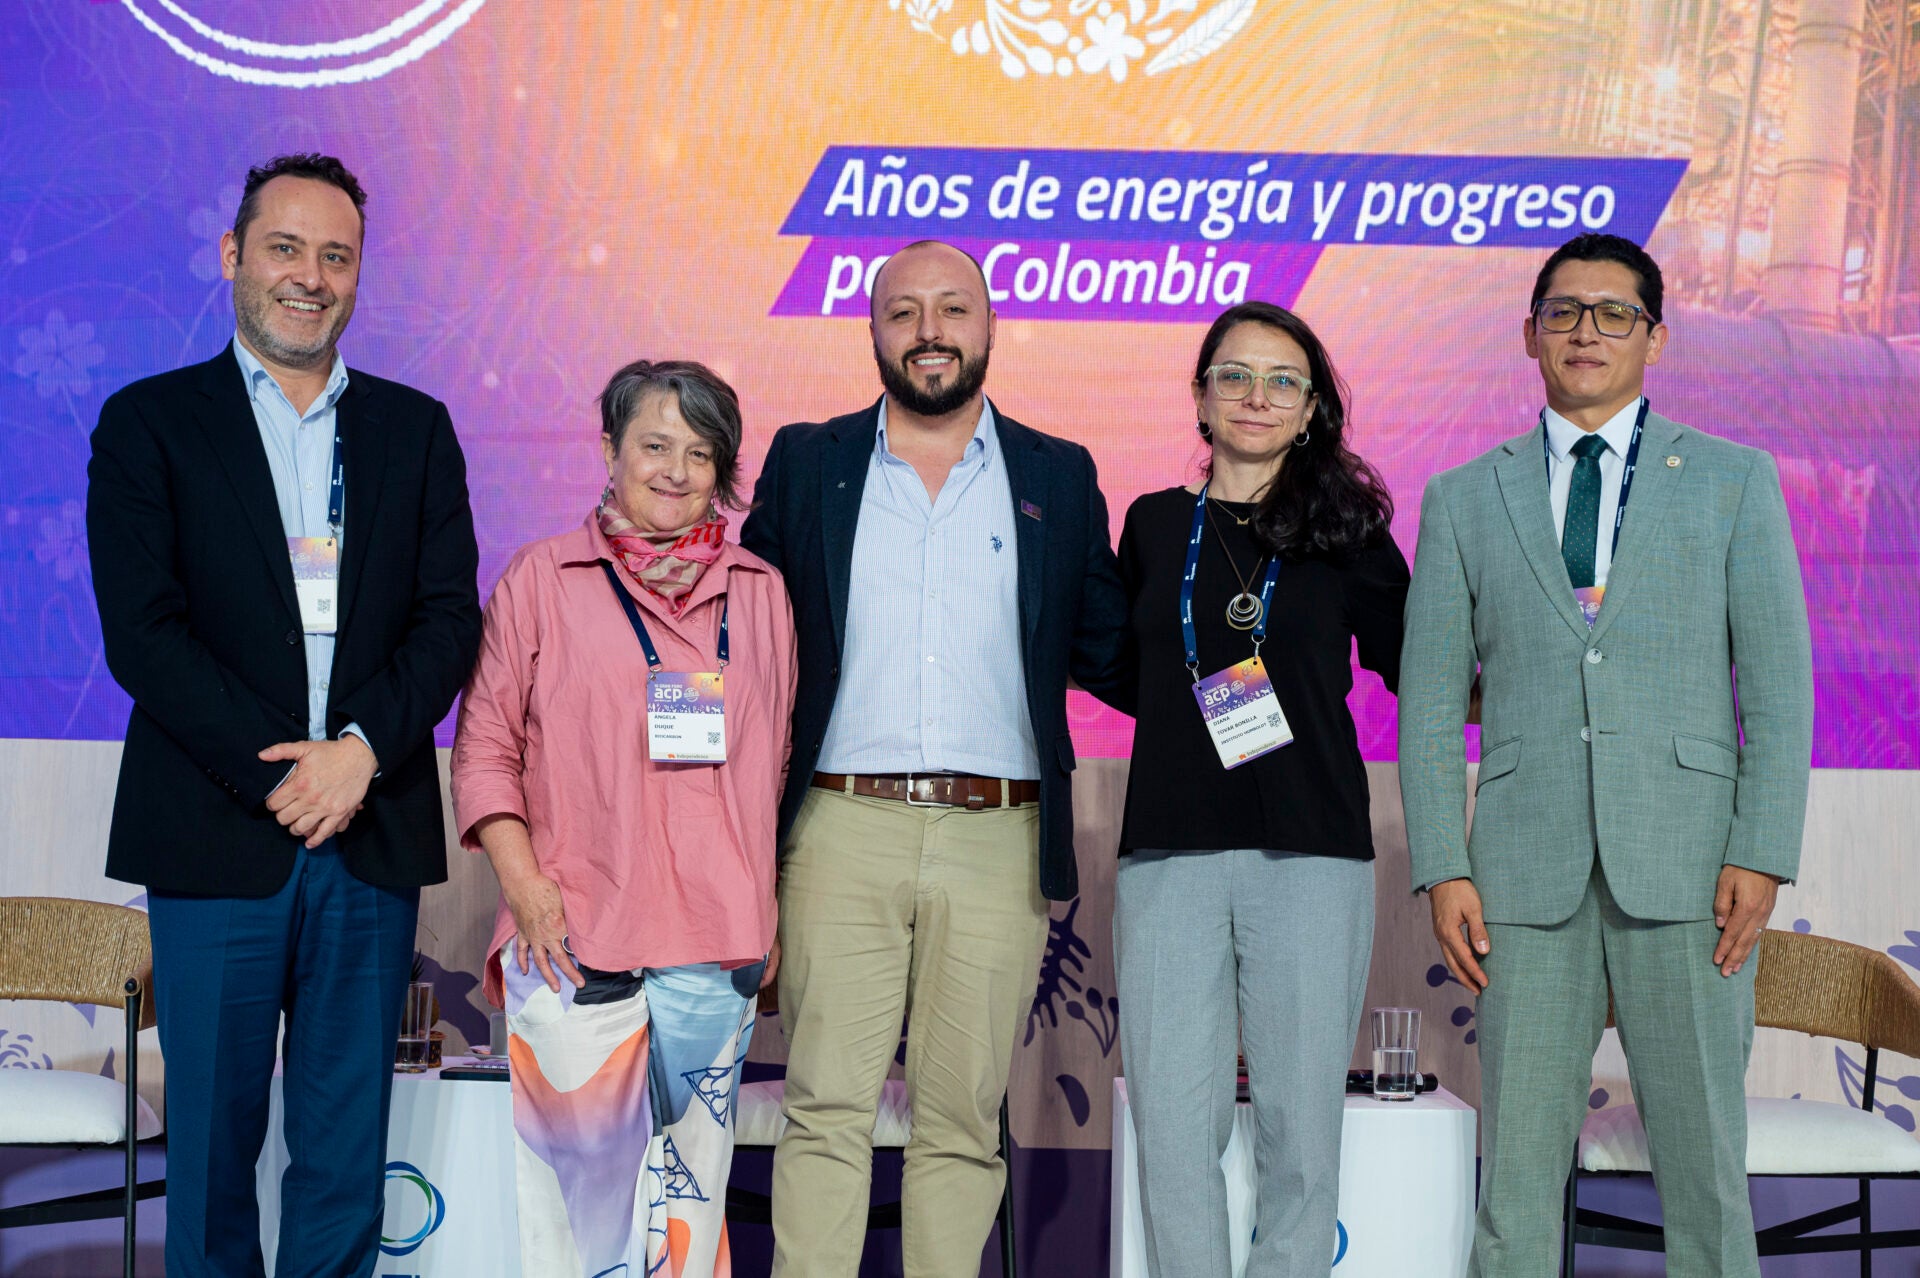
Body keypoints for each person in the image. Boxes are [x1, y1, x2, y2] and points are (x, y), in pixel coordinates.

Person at [85, 153, 482, 1276]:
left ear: (359, 277)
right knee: (210, 1157)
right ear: (234, 258)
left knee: (345, 1152)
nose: (310, 276)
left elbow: (449, 621)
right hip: (218, 838)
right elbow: (145, 635)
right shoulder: (151, 423)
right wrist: (281, 776)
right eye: (286, 248)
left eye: (336, 256)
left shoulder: (415, 430)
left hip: (368, 830)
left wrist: (358, 755)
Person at [1398, 233, 1813, 1276]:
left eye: (1614, 312)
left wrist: (1761, 850)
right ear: (1529, 334)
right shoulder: (1460, 497)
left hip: (1690, 874)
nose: (1588, 331)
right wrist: (1445, 862)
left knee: (1707, 1178)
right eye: (1565, 311)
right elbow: (1433, 702)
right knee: (1518, 1184)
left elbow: (1778, 688)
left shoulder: (1733, 481)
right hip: (1523, 884)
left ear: (1656, 337)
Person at [740, 239, 1128, 1276]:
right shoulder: (806, 461)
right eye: (903, 312)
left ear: (989, 325)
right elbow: (741, 639)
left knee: (963, 1120)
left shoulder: (1059, 473)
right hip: (838, 828)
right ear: (872, 330)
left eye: (952, 309)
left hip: (999, 837)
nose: (929, 332)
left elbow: (1111, 649)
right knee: (824, 1111)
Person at [450, 359, 794, 1277]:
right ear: (609, 450)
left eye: (700, 451)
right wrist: (524, 888)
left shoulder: (762, 589)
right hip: (571, 936)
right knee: (576, 1218)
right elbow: (484, 750)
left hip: (716, 944)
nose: (676, 470)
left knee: (688, 1207)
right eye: (654, 445)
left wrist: (772, 912)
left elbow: (780, 764)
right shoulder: (542, 577)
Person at [1102, 302, 1407, 1276]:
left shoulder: (1353, 533)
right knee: (1173, 1128)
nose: (1256, 397)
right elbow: (1124, 667)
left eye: (1283, 380)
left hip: (1311, 855)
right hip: (1170, 851)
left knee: (1298, 1132)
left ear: (1314, 407)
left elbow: (1424, 665)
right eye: (1234, 375)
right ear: (1199, 395)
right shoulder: (1153, 523)